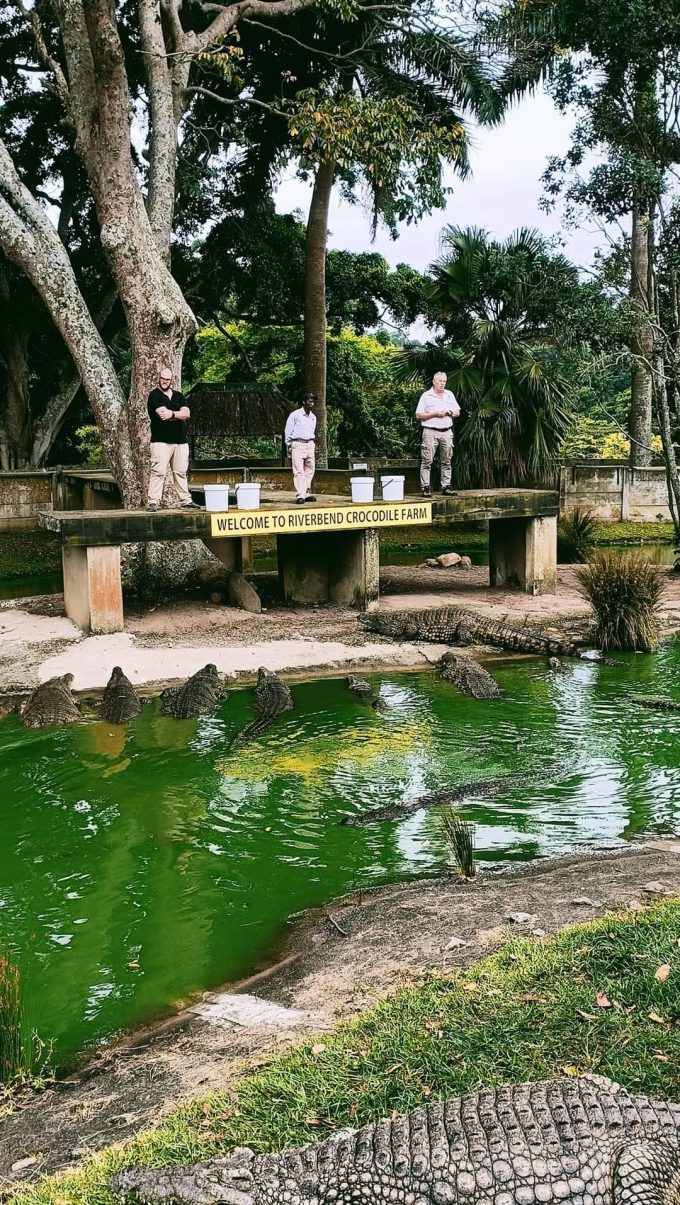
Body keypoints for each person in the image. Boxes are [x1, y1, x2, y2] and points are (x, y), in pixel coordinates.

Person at [146, 368, 200, 511]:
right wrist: (177, 414)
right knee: (158, 472)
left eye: (167, 379)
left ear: (172, 380)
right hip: (160, 441)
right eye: (163, 378)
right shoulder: (154, 395)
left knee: (181, 472)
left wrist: (172, 414)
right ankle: (153, 502)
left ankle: (186, 500)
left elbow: (187, 414)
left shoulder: (179, 396)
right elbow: (163, 414)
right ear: (159, 378)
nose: (165, 381)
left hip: (180, 441)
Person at [415, 371, 461, 497]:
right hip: (430, 431)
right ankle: (425, 487)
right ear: (434, 381)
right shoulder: (426, 395)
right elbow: (419, 415)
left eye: (444, 381)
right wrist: (434, 414)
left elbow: (457, 412)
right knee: (427, 460)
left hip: (446, 431)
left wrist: (449, 412)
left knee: (447, 460)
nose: (442, 383)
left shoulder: (449, 395)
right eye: (440, 381)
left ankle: (446, 486)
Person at [284, 392, 317, 504]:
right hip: (298, 443)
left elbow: (312, 431)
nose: (311, 403)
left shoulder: (313, 417)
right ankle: (300, 494)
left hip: (309, 443)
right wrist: (289, 445)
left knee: (310, 468)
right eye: (309, 401)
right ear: (304, 402)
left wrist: (311, 444)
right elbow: (288, 430)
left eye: (313, 401)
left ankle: (306, 492)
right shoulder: (295, 415)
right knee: (298, 470)